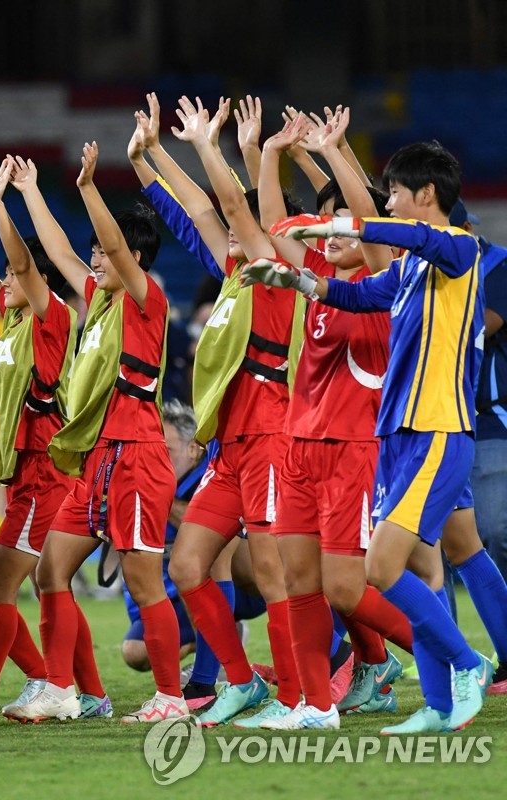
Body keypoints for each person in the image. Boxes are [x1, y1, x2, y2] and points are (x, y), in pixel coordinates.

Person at [245, 139, 493, 733]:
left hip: (436, 429)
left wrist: (335, 221)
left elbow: (419, 239)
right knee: (406, 574)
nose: (394, 205)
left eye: (400, 195)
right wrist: (294, 279)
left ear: (426, 196)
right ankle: (436, 706)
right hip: (400, 438)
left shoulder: (459, 247)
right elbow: (357, 294)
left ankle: (466, 663)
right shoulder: (408, 272)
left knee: (377, 572)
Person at [130, 94, 305, 727]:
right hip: (229, 445)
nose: (229, 231)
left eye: (244, 224)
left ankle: (300, 698)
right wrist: (152, 154)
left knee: (271, 569)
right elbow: (206, 209)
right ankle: (241, 682)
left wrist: (209, 144)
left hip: (269, 437)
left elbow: (230, 204)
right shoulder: (234, 271)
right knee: (187, 563)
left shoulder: (274, 269)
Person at [243, 109, 413, 729]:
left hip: (352, 450)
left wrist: (338, 153)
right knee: (298, 580)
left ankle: (453, 660)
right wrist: (269, 153)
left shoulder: (383, 280)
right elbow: (269, 229)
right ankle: (315, 706)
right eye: (324, 221)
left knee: (346, 589)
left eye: (342, 220)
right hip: (298, 446)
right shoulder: (316, 279)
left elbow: (375, 228)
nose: (331, 231)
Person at [3, 143, 181, 724]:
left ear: (131, 257)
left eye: (105, 253)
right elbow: (55, 250)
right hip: (97, 461)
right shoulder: (100, 302)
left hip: (137, 456)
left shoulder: (145, 297)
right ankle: (60, 688)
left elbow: (113, 253)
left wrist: (87, 189)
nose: (94, 261)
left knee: (143, 579)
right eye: (93, 254)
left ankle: (171, 699)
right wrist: (30, 194)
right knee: (49, 569)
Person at [452, 198, 507, 691]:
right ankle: (447, 657)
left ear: (467, 228)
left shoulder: (499, 265)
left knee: (493, 532)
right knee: (432, 546)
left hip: (488, 422)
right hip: (435, 421)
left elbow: (481, 324)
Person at [119, 400, 202, 675]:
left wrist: (160, 497)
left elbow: (199, 522)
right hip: (169, 593)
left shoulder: (209, 476)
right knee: (136, 652)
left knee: (198, 564)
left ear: (193, 450)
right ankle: (209, 638)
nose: (158, 460)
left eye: (166, 451)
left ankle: (211, 664)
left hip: (228, 585)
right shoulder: (138, 480)